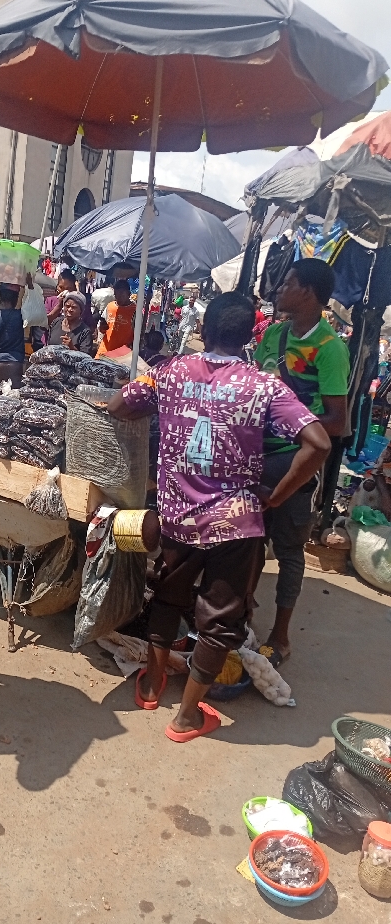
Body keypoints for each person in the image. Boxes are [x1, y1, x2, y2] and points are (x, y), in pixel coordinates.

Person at [108, 292, 330, 742]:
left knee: (166, 599)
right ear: (250, 336)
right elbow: (319, 443)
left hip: (178, 516)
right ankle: (186, 717)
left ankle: (151, 685)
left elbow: (119, 405)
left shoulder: (169, 371)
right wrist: (276, 497)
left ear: (204, 329)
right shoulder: (265, 386)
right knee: (220, 620)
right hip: (236, 522)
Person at [252, 258, 349, 664]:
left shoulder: (330, 349)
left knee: (289, 550)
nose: (279, 289)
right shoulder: (274, 335)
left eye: (287, 283)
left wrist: (290, 424)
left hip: (297, 464)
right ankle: (241, 615)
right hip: (258, 458)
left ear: (308, 292)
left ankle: (281, 635)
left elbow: (338, 421)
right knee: (250, 541)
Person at [0, 278, 26, 392]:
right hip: (16, 364)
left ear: (1, 298)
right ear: (16, 299)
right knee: (14, 397)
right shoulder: (21, 315)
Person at [31, 269, 77, 351]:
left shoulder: (80, 304)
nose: (64, 291)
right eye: (61, 287)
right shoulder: (50, 301)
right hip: (49, 346)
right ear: (57, 287)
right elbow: (43, 325)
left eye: (69, 289)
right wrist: (59, 306)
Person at [96, 279, 136, 356]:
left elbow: (138, 334)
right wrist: (101, 329)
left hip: (122, 354)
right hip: (105, 350)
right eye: (116, 295)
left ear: (128, 294)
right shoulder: (110, 306)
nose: (118, 298)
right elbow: (101, 327)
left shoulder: (135, 311)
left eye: (122, 295)